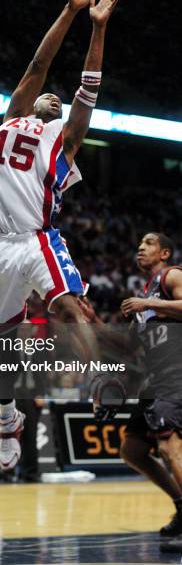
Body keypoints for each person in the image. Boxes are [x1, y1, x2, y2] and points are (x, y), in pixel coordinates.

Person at [0, 0, 121, 471]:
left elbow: (89, 89)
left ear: (56, 116)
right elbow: (40, 62)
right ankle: (9, 416)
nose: (51, 95)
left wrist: (98, 30)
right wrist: (70, 10)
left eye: (58, 101)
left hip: (35, 240)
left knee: (69, 306)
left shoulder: (63, 144)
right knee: (3, 346)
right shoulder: (13, 114)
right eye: (46, 94)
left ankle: (99, 376)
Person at [118, 233, 182, 546]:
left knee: (170, 448)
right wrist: (90, 321)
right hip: (156, 380)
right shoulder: (144, 299)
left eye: (148, 242)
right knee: (133, 450)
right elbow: (127, 348)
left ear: (165, 252)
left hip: (177, 374)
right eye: (138, 243)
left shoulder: (172, 276)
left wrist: (148, 303)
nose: (140, 247)